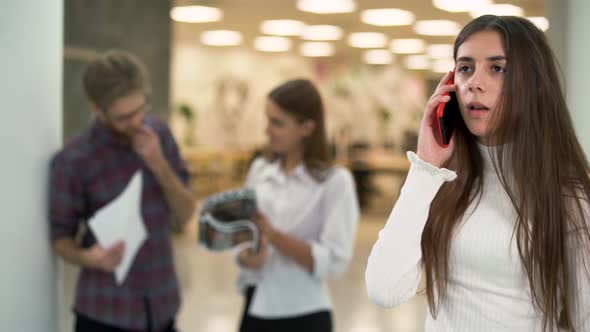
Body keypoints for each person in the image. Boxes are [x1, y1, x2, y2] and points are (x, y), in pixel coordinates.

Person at [365, 15, 590, 332]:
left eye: (498, 68)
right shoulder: (439, 181)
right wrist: (425, 167)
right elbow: (383, 289)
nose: (474, 82)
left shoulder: (566, 196)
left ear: (534, 86)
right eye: (465, 67)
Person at [49, 50, 195, 332]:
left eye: (141, 109)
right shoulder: (74, 160)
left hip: (162, 307)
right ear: (96, 108)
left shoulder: (159, 135)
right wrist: (87, 257)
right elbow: (60, 239)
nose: (136, 121)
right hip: (105, 312)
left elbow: (186, 212)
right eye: (123, 116)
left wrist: (158, 163)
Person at [236, 79, 360, 332]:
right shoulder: (260, 171)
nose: (267, 130)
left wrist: (274, 236)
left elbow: (335, 261)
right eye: (268, 119)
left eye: (277, 123)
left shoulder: (335, 182)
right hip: (254, 305)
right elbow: (244, 243)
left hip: (304, 314)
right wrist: (247, 254)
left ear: (307, 127)